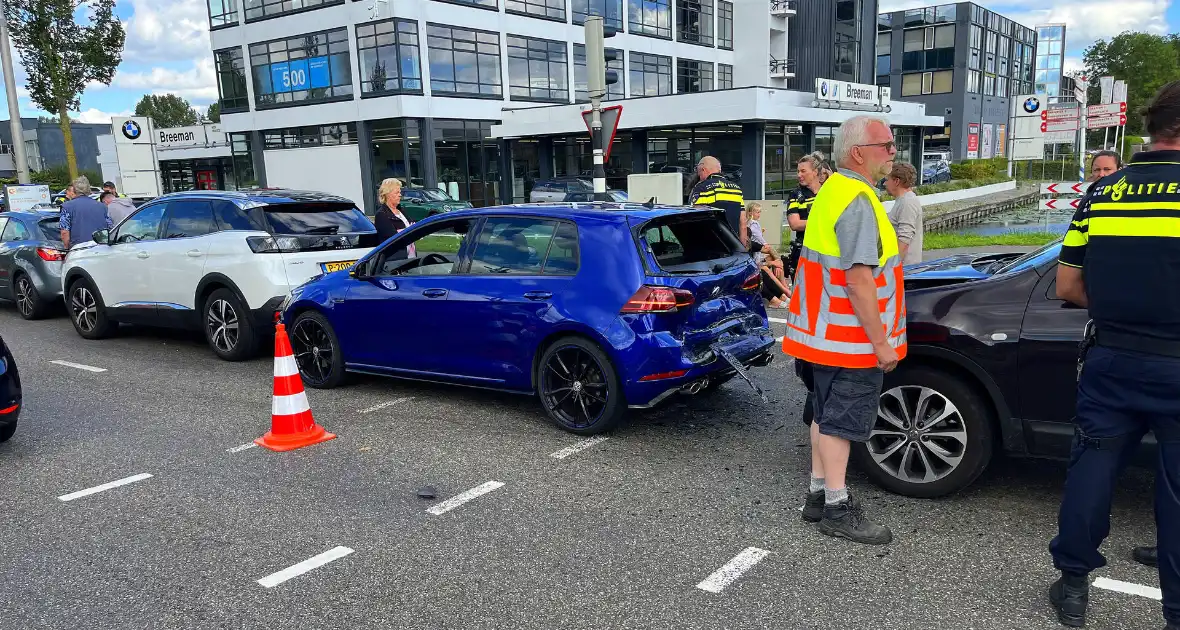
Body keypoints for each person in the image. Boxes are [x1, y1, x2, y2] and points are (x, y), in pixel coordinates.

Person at [1048, 80, 1180, 630]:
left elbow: (1068, 286)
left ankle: (1074, 584)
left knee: (1093, 469)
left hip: (1112, 356)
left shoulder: (1103, 192)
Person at [782, 115, 906, 545]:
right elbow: (858, 280)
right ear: (859, 152)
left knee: (822, 414)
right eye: (887, 145)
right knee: (841, 423)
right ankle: (837, 506)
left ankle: (817, 497)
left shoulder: (832, 192)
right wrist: (882, 343)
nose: (893, 152)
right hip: (850, 340)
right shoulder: (857, 198)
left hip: (819, 334)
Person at [786, 152, 832, 279]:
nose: (799, 175)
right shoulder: (796, 195)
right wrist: (825, 223)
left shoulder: (828, 192)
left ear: (815, 172)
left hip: (828, 253)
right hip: (804, 252)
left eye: (803, 171)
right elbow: (795, 224)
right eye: (798, 171)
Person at [743, 203, 789, 309]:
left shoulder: (751, 226)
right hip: (755, 259)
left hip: (756, 257)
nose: (759, 214)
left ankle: (783, 293)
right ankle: (784, 292)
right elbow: (764, 245)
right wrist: (777, 260)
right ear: (750, 212)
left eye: (760, 212)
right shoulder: (752, 225)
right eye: (757, 212)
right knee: (768, 270)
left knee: (775, 265)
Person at [688, 156, 744, 235]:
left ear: (703, 170)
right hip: (732, 243)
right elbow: (743, 224)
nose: (698, 176)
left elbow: (696, 219)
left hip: (711, 241)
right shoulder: (736, 189)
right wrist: (742, 246)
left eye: (698, 172)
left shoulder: (702, 188)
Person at [884, 162, 923, 265]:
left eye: (887, 180)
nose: (884, 184)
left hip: (905, 271)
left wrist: (891, 267)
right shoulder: (903, 201)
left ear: (896, 181)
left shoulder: (907, 202)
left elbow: (904, 240)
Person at [59, 176, 111, 249]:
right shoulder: (102, 206)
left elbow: (64, 232)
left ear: (74, 190)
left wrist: (67, 248)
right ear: (88, 189)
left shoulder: (67, 207)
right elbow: (110, 226)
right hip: (101, 247)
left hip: (79, 248)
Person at [374, 178, 415, 259]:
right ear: (387, 194)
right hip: (396, 260)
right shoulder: (381, 215)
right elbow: (394, 239)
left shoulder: (401, 210)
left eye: (400, 192)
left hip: (410, 257)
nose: (400, 195)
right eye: (397, 192)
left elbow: (412, 226)